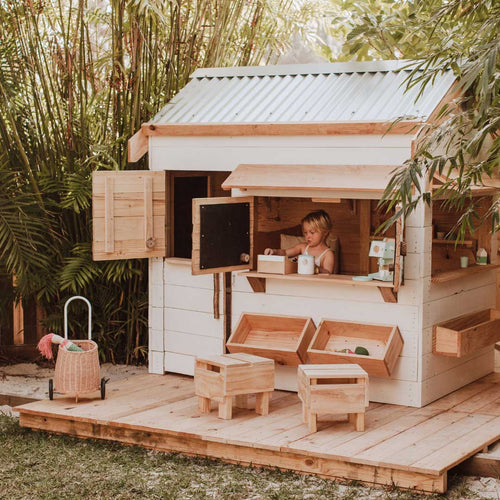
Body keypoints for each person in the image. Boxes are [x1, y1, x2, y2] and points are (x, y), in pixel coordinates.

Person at [264, 210, 335, 274]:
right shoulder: (302, 247)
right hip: (299, 284)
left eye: (312, 232)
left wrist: (314, 267)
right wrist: (274, 252)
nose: (308, 236)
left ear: (325, 232)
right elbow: (285, 252)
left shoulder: (327, 254)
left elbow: (328, 273)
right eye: (305, 233)